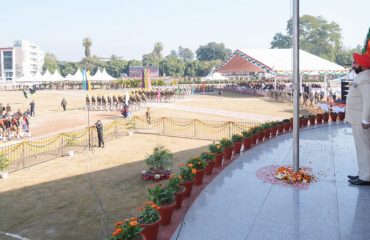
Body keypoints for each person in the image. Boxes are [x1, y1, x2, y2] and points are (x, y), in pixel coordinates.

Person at [346, 29, 370, 186]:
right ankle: (363, 173)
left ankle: (366, 177)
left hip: (361, 122)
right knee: (362, 148)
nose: (354, 64)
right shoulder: (362, 77)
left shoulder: (365, 78)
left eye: (357, 62)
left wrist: (365, 119)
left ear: (364, 65)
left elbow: (369, 100)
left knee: (364, 148)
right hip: (357, 120)